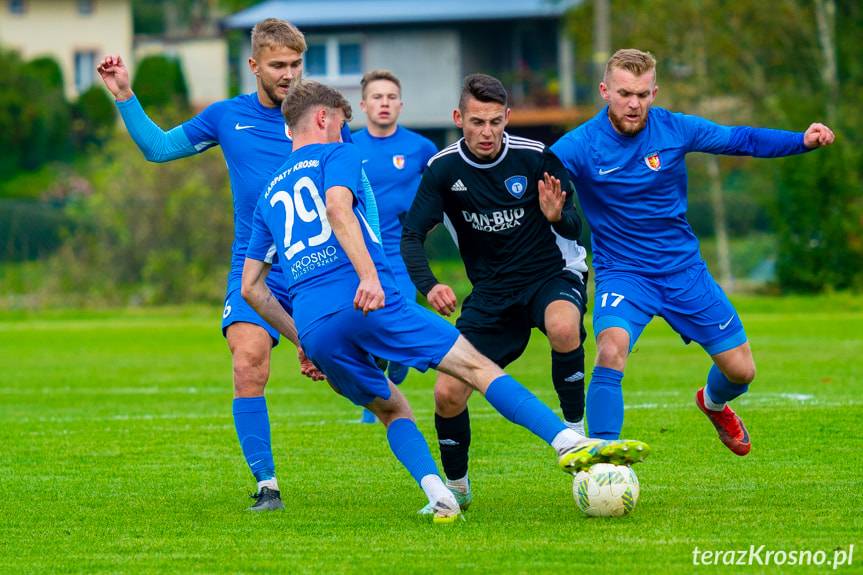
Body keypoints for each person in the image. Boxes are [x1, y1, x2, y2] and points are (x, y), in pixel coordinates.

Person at [241, 80, 651, 522]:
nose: (345, 132)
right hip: (368, 300)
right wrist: (368, 277)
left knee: (391, 407)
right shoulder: (338, 154)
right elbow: (338, 207)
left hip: (315, 324)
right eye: (342, 123)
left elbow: (252, 288)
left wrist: (301, 337)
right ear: (323, 119)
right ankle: (569, 441)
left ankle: (438, 494)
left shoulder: (267, 192)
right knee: (475, 366)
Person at [96, 18, 353, 511]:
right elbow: (159, 148)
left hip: (317, 267)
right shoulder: (225, 117)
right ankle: (267, 486)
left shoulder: (323, 120)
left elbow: (352, 195)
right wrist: (125, 95)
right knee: (248, 362)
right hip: (255, 269)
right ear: (254, 65)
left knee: (358, 376)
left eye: (297, 65)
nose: (289, 75)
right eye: (278, 65)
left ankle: (432, 476)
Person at [550, 49, 835, 455]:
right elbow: (534, 175)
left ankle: (713, 402)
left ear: (655, 92)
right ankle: (604, 460)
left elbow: (741, 139)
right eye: (625, 93)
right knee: (611, 348)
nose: (635, 104)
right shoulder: (579, 145)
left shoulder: (674, 129)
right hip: (624, 273)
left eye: (644, 94)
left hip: (684, 271)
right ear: (604, 91)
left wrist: (801, 141)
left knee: (741, 372)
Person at [401, 74, 605, 513]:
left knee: (563, 326)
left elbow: (575, 227)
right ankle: (456, 487)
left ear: (508, 118)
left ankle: (577, 437)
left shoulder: (535, 158)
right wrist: (429, 284)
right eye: (477, 122)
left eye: (496, 121)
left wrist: (557, 216)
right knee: (446, 393)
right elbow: (411, 235)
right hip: (492, 292)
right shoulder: (442, 169)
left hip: (550, 273)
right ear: (459, 119)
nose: (487, 132)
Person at [352, 69, 438, 422]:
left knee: (398, 322)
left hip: (402, 255)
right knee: (367, 327)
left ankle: (400, 365)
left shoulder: (421, 148)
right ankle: (374, 409)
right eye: (377, 97)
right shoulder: (349, 146)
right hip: (360, 255)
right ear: (363, 105)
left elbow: (440, 191)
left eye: (390, 97)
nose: (384, 103)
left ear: (400, 105)